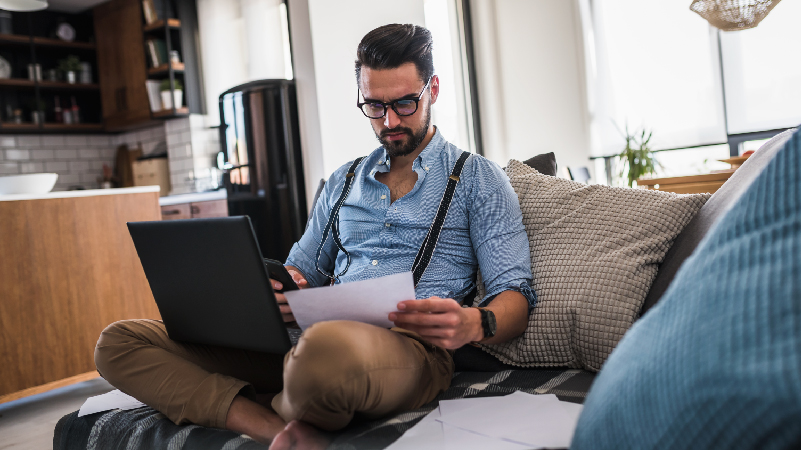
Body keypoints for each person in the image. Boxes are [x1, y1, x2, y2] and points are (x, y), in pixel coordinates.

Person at [94, 23, 535, 449]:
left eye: (403, 103)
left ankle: (281, 392)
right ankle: (270, 425)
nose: (389, 121)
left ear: (432, 90)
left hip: (409, 351)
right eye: (374, 107)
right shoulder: (344, 180)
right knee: (118, 342)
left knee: (324, 353)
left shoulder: (477, 177)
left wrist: (475, 323)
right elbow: (301, 269)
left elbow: (515, 294)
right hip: (307, 343)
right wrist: (279, 289)